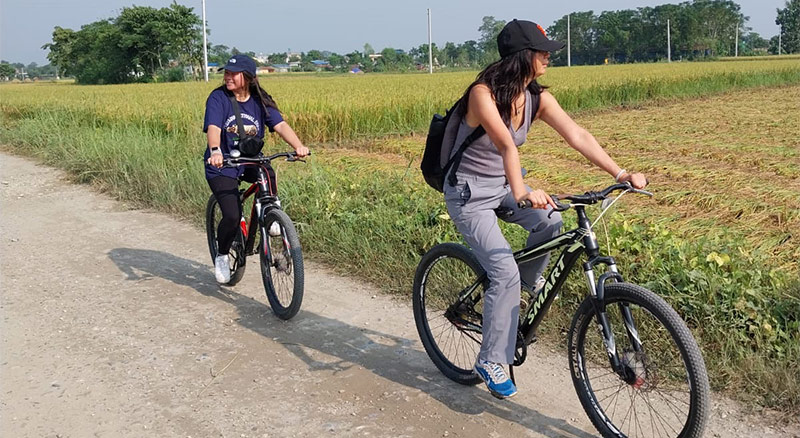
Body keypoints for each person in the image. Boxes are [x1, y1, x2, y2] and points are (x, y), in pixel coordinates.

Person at [442, 19, 647, 399]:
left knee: (552, 220)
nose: (549, 56)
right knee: (502, 271)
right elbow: (506, 146)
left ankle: (517, 290)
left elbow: (577, 135)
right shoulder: (481, 94)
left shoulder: (537, 98)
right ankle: (491, 359)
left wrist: (621, 173)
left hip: (503, 186)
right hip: (469, 193)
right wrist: (522, 191)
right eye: (542, 50)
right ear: (523, 56)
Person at [204, 54, 310, 284]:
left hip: (250, 158)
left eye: (234, 73)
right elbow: (214, 127)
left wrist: (298, 145)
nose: (228, 77)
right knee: (232, 216)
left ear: (249, 77)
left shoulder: (260, 99)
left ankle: (272, 213)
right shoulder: (218, 97)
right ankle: (222, 255)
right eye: (226, 73)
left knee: (267, 171)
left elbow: (280, 124)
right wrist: (215, 151)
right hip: (223, 163)